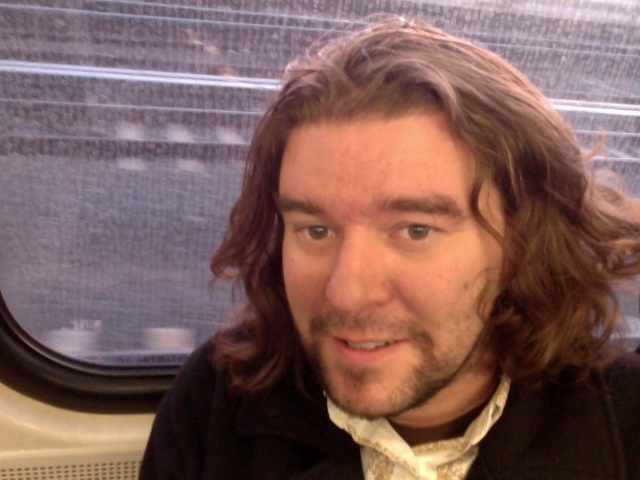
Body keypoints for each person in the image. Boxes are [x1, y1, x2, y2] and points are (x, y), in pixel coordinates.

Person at [140, 17, 640, 480]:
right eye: (316, 230)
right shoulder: (214, 404)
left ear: (519, 243)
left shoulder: (626, 421)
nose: (347, 293)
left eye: (415, 230)